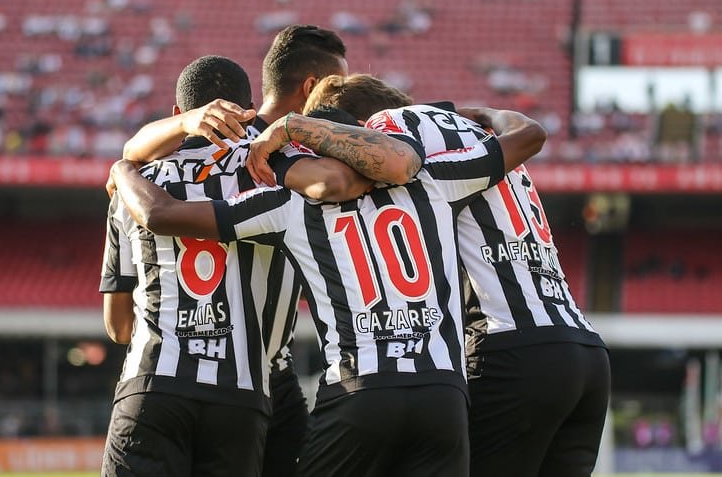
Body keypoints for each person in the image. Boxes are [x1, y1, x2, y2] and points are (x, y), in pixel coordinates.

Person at [107, 103, 546, 476]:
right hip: (443, 392)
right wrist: (486, 113)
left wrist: (123, 169)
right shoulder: (431, 180)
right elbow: (529, 135)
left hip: (358, 391)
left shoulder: (288, 204)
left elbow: (161, 213)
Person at [301, 73, 611, 477]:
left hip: (509, 346)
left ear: (357, 125)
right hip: (584, 348)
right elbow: (529, 135)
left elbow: (378, 175)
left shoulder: (389, 130)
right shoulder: (474, 131)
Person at [99, 55, 369, 476]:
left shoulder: (134, 184)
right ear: (249, 113)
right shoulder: (270, 170)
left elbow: (118, 327)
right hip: (241, 394)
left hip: (154, 386)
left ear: (178, 113)